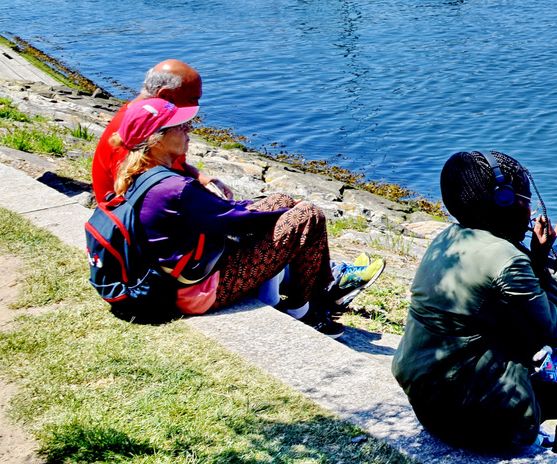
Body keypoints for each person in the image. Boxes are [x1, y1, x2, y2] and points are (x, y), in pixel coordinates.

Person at [391, 150, 557, 462]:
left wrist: (544, 256)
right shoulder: (508, 261)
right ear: (504, 200)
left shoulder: (448, 237)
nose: (531, 208)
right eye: (526, 198)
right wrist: (544, 265)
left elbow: (496, 294)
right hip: (478, 420)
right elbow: (553, 331)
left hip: (429, 404)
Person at [108, 96, 384, 334]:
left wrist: (280, 207)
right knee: (308, 215)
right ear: (156, 140)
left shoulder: (145, 175)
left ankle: (320, 290)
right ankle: (302, 310)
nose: (189, 128)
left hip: (185, 275)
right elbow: (234, 222)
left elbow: (221, 216)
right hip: (199, 292)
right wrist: (289, 213)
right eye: (180, 126)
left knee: (280, 199)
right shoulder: (174, 189)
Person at [92, 60, 228, 208]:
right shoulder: (134, 135)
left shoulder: (158, 124)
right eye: (192, 100)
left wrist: (206, 180)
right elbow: (143, 202)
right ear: (164, 95)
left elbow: (179, 164)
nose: (196, 108)